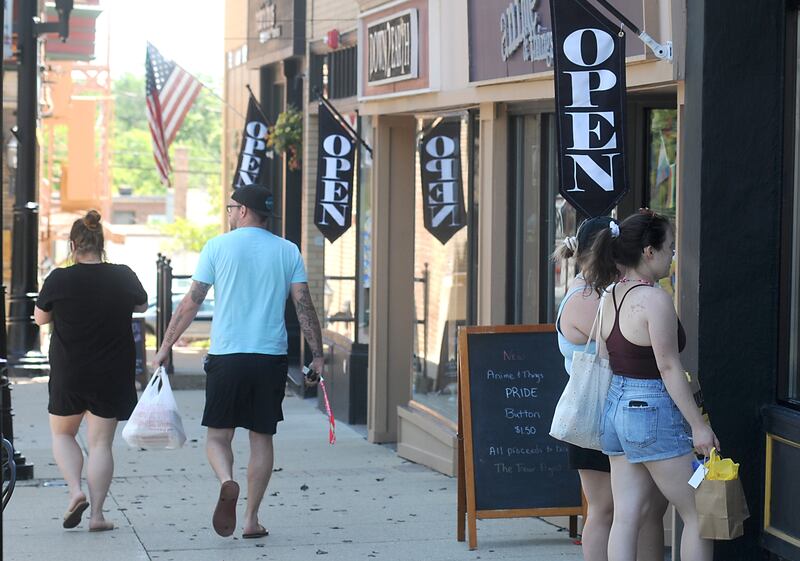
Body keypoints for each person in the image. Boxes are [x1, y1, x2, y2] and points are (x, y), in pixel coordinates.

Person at [153, 184, 325, 540]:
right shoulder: (287, 250)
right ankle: (250, 519)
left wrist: (165, 346)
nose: (229, 213)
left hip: (227, 357)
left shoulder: (217, 247)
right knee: (261, 438)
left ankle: (226, 480)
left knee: (218, 436)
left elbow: (191, 302)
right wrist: (318, 355)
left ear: (244, 211)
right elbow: (303, 305)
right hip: (269, 358)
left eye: (231, 207)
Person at [583, 209, 719, 561]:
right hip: (651, 409)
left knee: (626, 516)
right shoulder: (654, 299)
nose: (673, 255)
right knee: (699, 512)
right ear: (649, 251)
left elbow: (603, 353)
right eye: (670, 247)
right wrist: (699, 426)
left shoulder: (609, 295)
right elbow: (669, 366)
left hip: (615, 409)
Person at [554, 216, 667, 561]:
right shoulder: (586, 298)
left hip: (619, 414)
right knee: (606, 509)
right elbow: (631, 343)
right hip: (596, 416)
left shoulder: (602, 293)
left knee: (637, 509)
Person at [34, 210, 148, 531]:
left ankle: (75, 490)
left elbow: (40, 319)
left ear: (73, 245)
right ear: (101, 243)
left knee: (62, 434)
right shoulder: (122, 275)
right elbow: (141, 306)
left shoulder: (59, 278)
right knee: (100, 445)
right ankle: (97, 516)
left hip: (70, 370)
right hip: (110, 373)